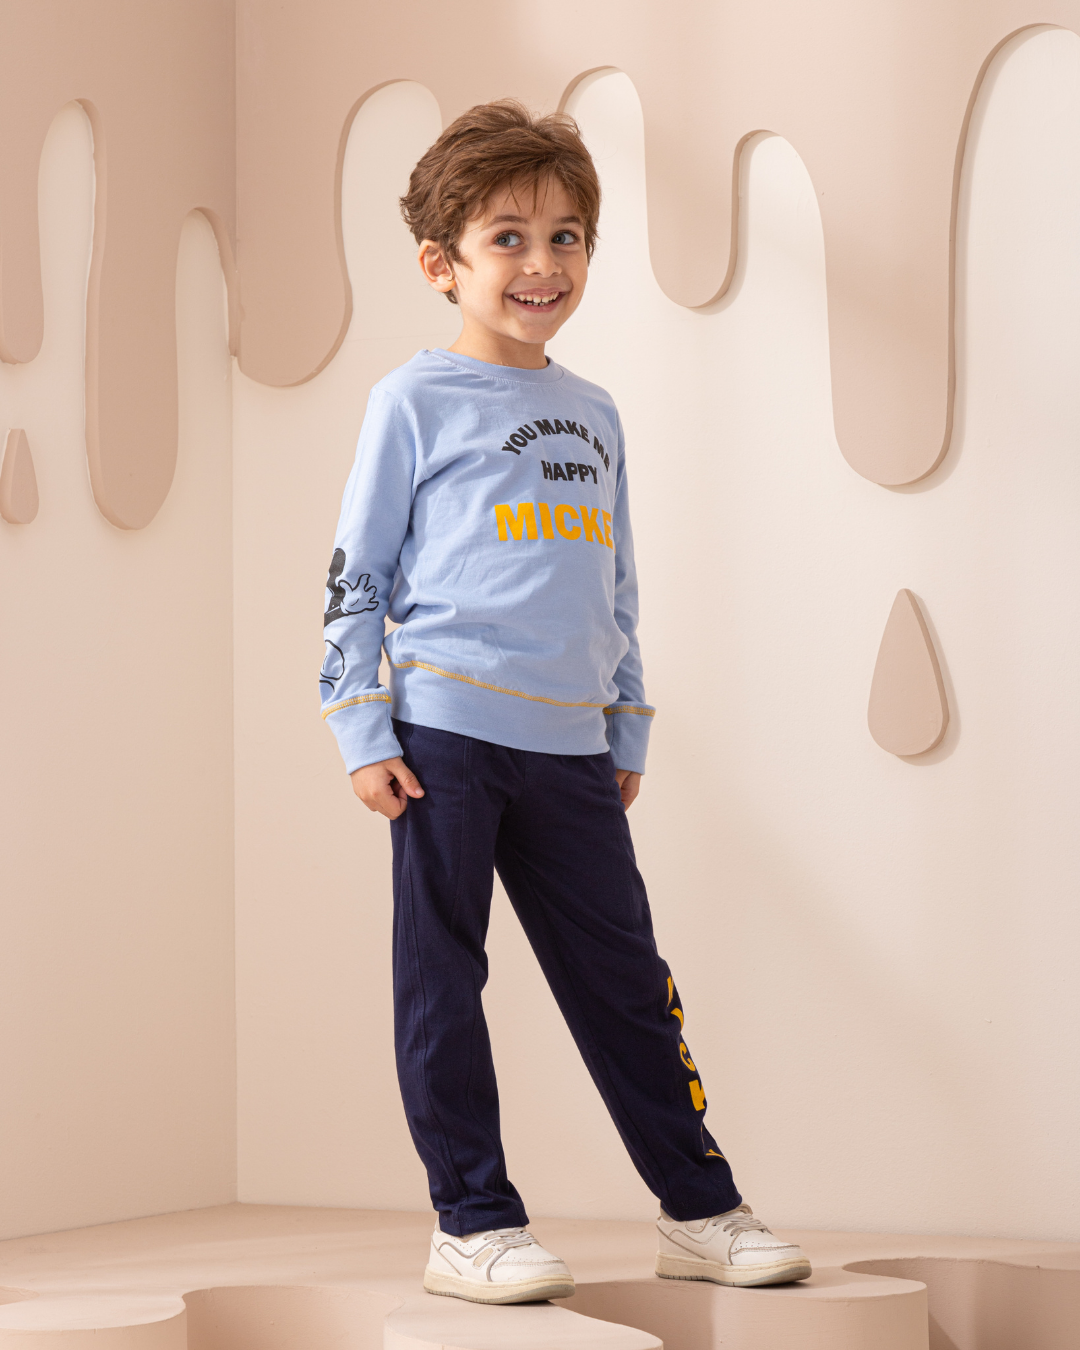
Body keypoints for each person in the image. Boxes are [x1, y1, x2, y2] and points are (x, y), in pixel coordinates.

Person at [320, 99, 811, 1305]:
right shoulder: (412, 400)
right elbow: (356, 574)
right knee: (444, 983)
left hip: (573, 748)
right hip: (444, 734)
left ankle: (700, 1209)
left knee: (628, 983)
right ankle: (472, 1222)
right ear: (440, 263)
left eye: (567, 237)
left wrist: (625, 720)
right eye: (508, 237)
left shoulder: (595, 413)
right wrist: (359, 724)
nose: (543, 263)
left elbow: (616, 579)